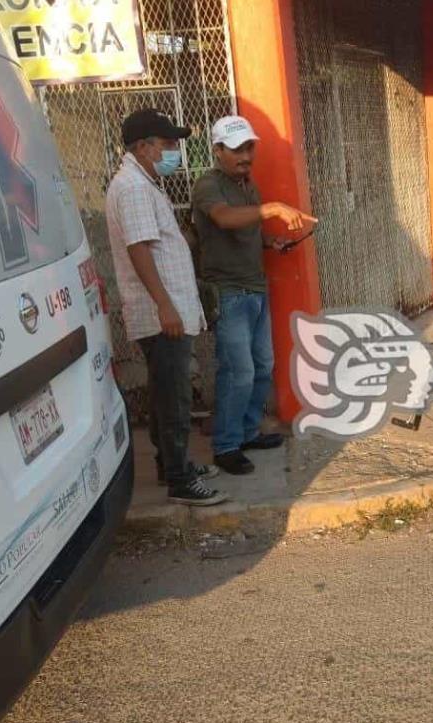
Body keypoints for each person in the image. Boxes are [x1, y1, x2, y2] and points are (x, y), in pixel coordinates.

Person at [106, 108, 225, 506]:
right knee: (173, 398)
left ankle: (172, 466)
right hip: (161, 314)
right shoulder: (135, 188)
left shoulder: (142, 182)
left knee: (164, 393)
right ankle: (179, 480)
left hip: (164, 310)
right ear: (143, 147)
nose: (174, 150)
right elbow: (138, 249)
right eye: (168, 144)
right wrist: (165, 307)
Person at [192, 116, 316, 475]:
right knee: (239, 371)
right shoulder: (208, 186)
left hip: (255, 287)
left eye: (249, 148)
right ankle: (226, 445)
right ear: (217, 151)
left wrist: (268, 240)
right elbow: (225, 219)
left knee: (262, 366)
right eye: (236, 150)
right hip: (228, 291)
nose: (245, 156)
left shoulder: (249, 186)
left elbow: (247, 229)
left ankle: (246, 432)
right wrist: (272, 209)